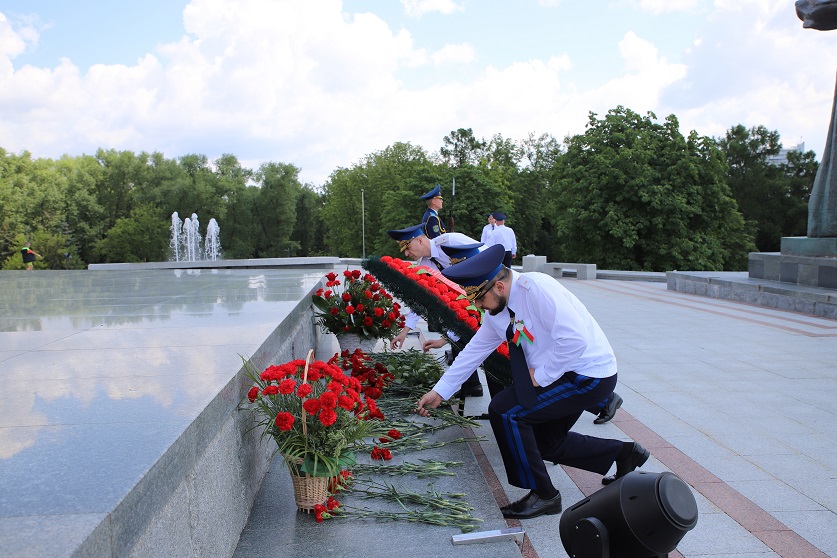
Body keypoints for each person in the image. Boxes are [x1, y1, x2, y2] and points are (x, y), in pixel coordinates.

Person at [416, 244, 649, 519]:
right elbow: (475, 350)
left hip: (589, 374)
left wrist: (540, 377)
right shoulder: (497, 310)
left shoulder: (537, 289)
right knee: (547, 444)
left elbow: (575, 340)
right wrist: (440, 391)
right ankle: (625, 453)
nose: (477, 305)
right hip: (563, 372)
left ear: (499, 286)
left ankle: (545, 495)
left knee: (506, 411)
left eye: (479, 298)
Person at [386, 224, 484, 397]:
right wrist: (405, 331)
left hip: (485, 294)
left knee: (472, 341)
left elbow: (484, 255)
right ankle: (472, 384)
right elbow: (420, 299)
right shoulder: (424, 265)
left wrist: (444, 339)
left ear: (419, 240)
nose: (407, 254)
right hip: (464, 304)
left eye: (407, 248)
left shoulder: (451, 242)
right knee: (457, 334)